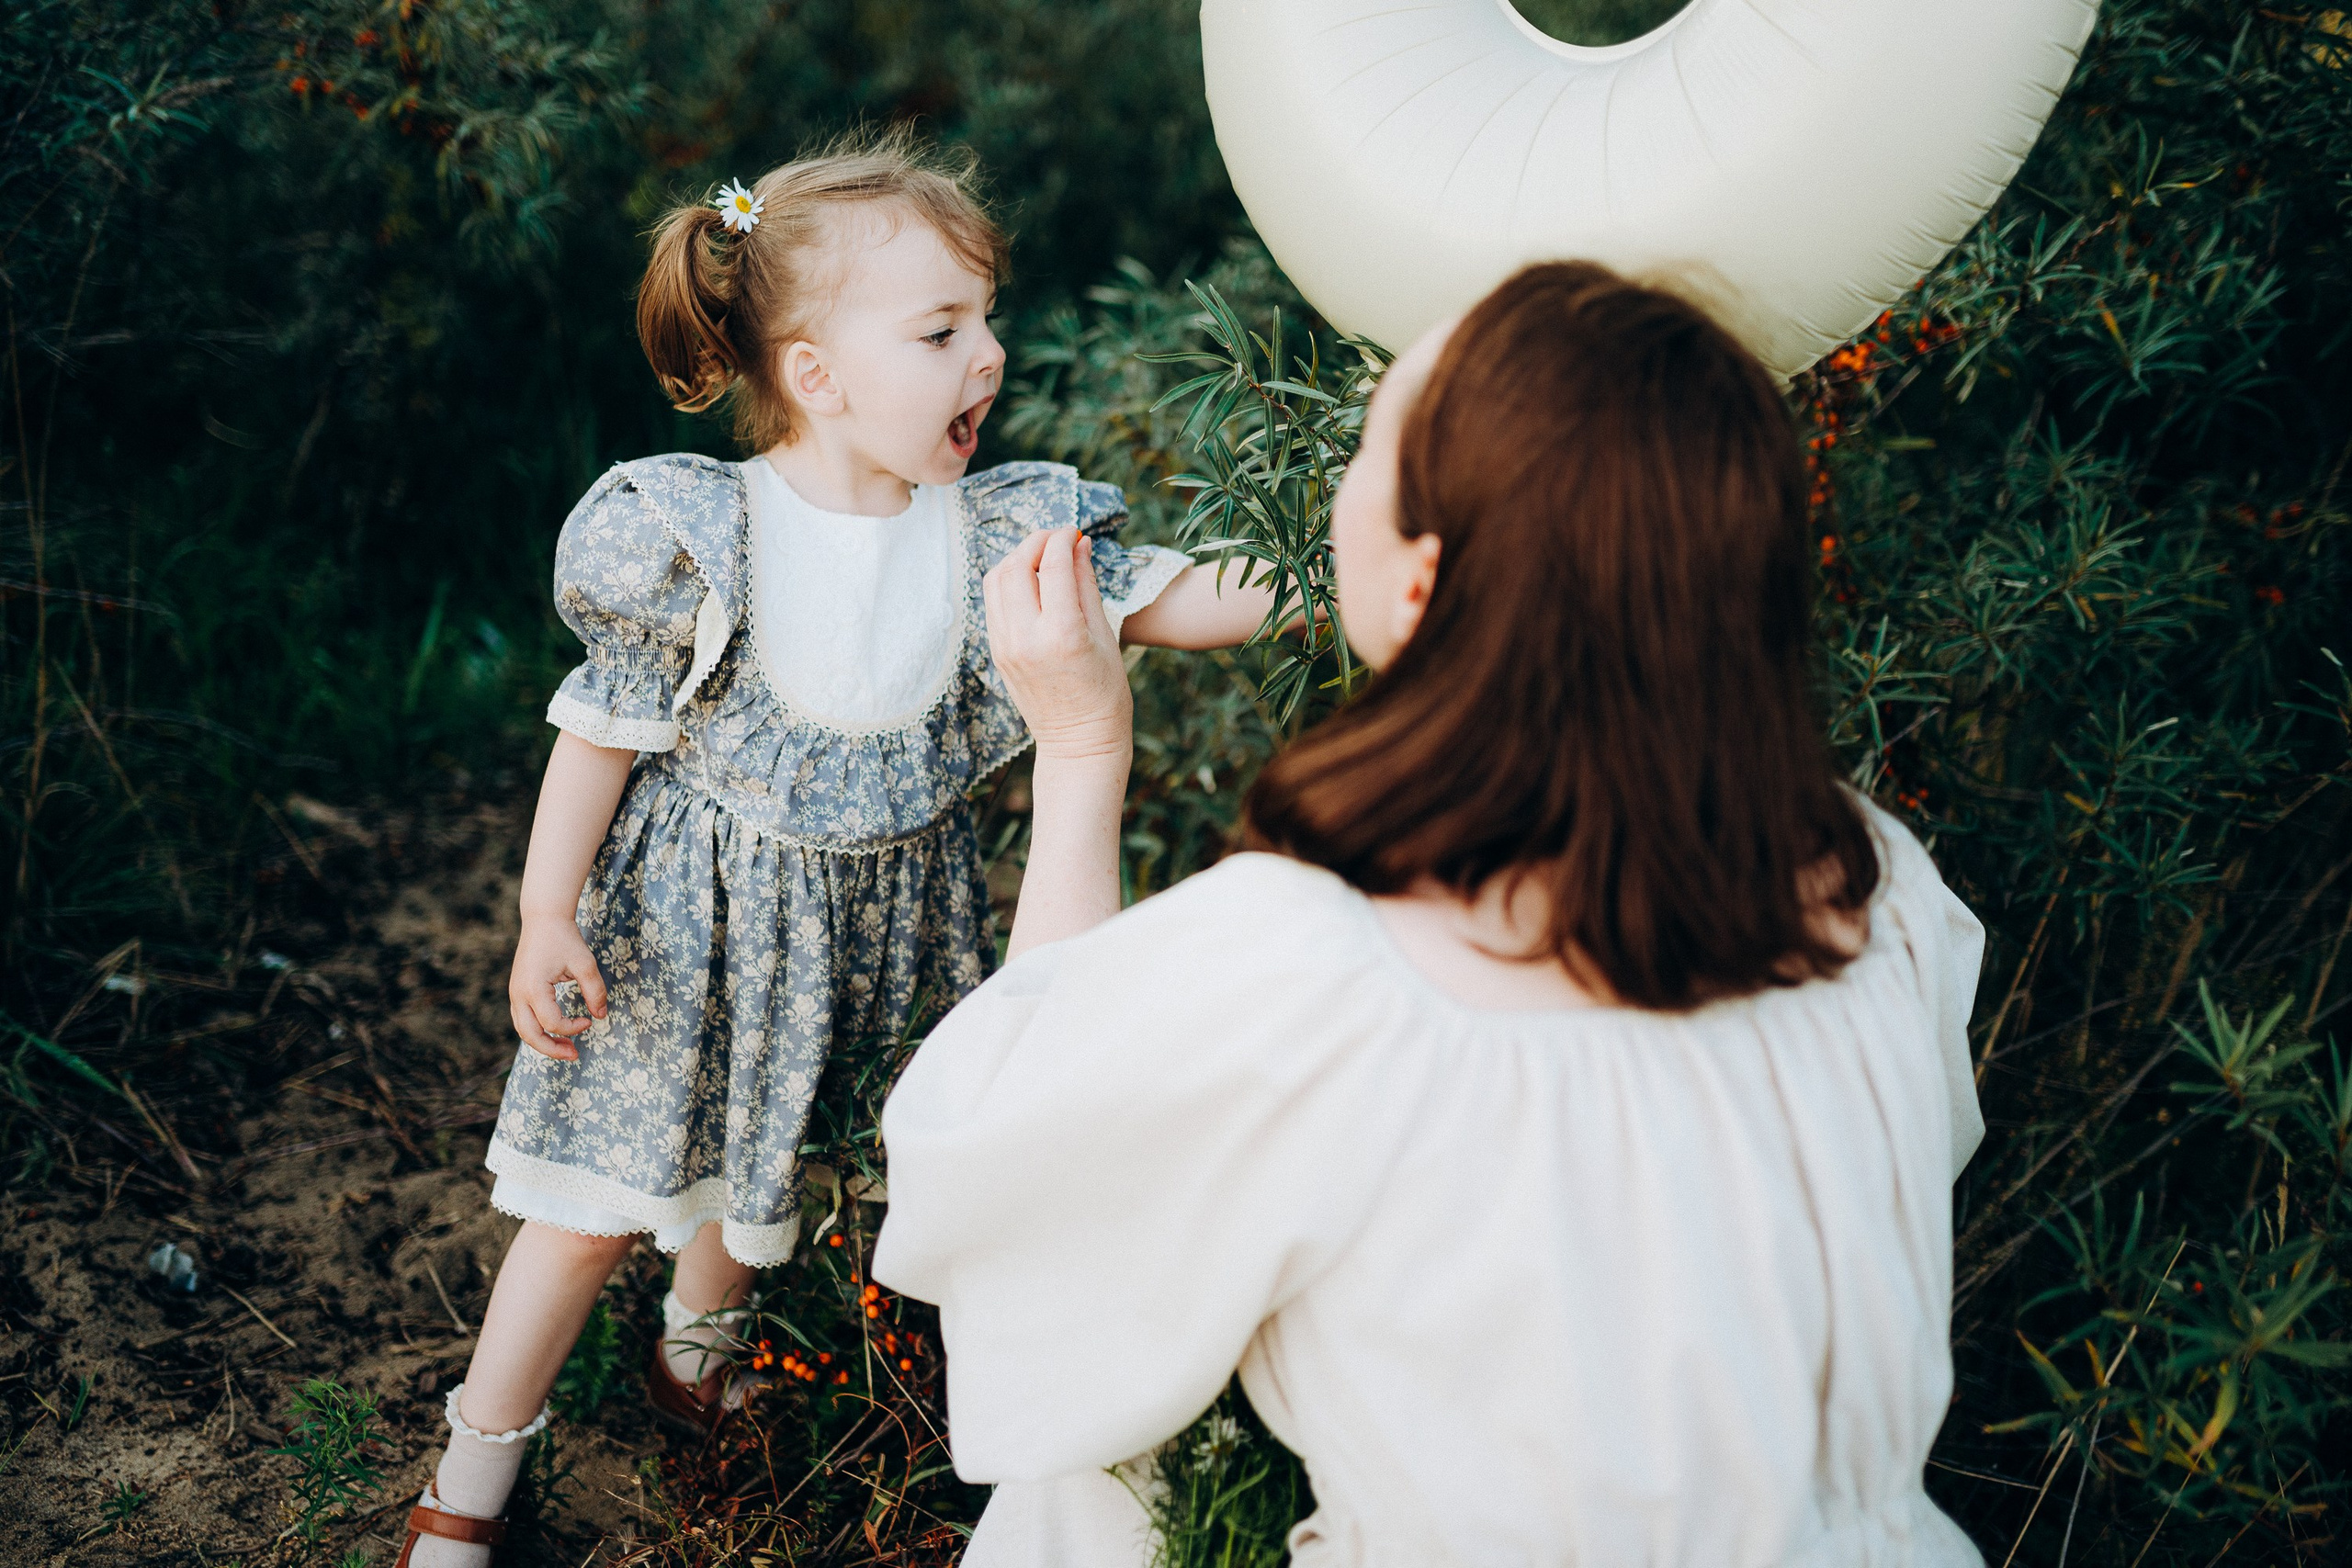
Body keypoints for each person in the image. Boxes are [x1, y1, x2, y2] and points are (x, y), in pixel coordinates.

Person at [873, 262, 1991, 1565]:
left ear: (1422, 578)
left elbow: (1006, 1182)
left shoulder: (1328, 977)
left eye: (1366, 450)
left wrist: (1077, 744)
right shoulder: (1873, 885)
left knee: (1069, 1507)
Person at [394, 133, 1278, 1567]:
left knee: (777, 1166)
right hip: (683, 935)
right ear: (815, 374)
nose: (986, 355)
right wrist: (545, 910)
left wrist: (1343, 574)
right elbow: (600, 733)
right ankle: (467, 1488)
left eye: (988, 318)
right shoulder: (700, 533)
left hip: (877, 937)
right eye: (941, 329)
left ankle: (703, 1350)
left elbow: (1173, 595)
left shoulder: (992, 532)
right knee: (592, 1209)